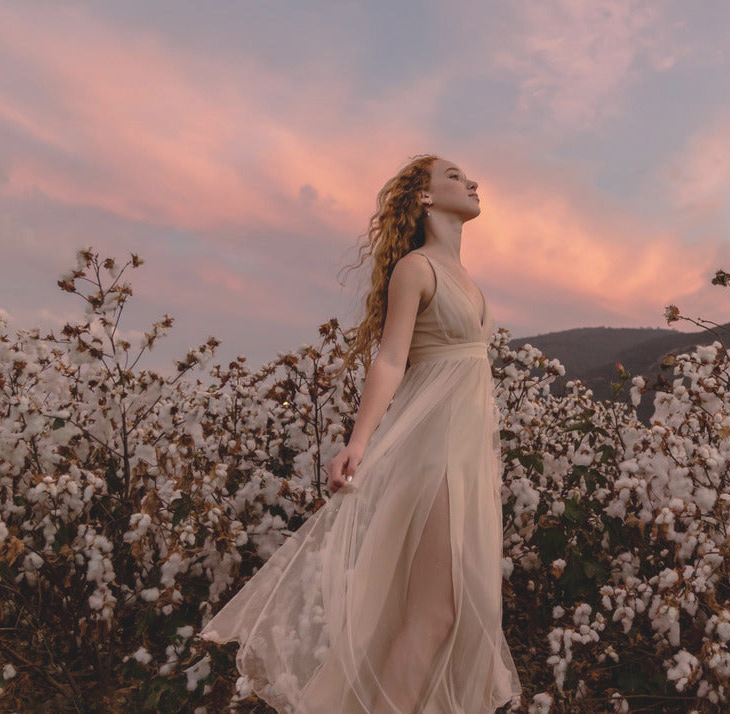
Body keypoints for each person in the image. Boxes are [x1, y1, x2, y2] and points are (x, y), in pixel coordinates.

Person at [197, 155, 522, 713]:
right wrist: (359, 441)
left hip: (471, 456)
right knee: (437, 612)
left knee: (466, 613)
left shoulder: (468, 279)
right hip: (437, 449)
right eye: (453, 176)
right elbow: (391, 359)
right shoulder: (416, 268)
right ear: (424, 197)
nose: (471, 182)